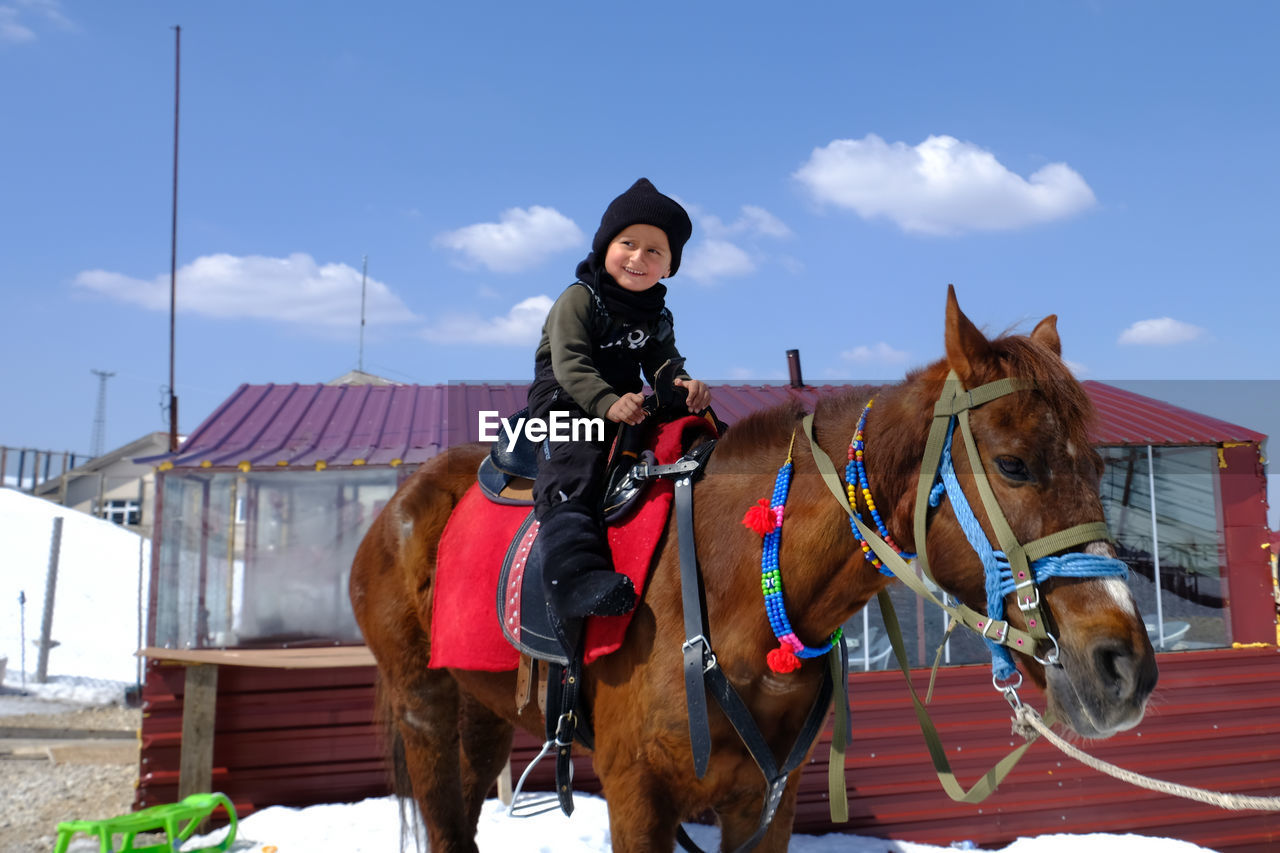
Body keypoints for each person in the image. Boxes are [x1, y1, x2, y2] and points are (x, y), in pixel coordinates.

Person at [528, 177, 710, 627]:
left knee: (694, 429)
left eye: (655, 251)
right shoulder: (578, 299)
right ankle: (572, 577)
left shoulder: (657, 316)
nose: (638, 257)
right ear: (605, 246)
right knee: (577, 458)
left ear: (669, 267)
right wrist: (606, 403)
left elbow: (663, 364)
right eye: (628, 243)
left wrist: (683, 386)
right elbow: (570, 363)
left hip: (623, 401)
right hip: (567, 398)